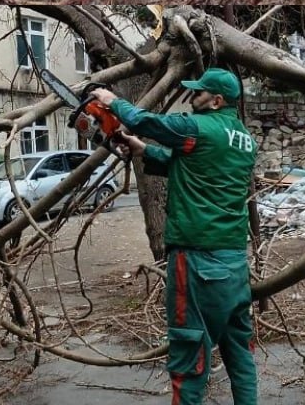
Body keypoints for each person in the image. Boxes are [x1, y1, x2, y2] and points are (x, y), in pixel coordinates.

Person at [91, 69, 258, 405]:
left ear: (216, 100)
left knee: (188, 357)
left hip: (198, 264)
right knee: (239, 354)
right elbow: (191, 166)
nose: (191, 97)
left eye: (198, 93)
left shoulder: (198, 127)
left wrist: (110, 100)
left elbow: (149, 122)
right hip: (235, 262)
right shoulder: (244, 139)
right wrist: (140, 149)